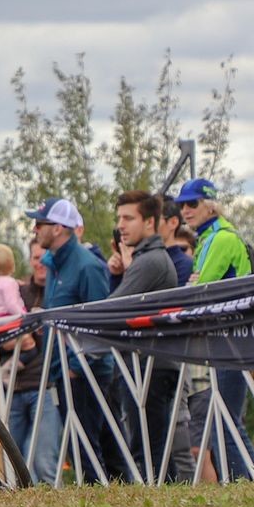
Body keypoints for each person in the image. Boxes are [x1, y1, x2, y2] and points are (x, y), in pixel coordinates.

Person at [175, 177, 254, 481]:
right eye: (181, 205)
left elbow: (197, 290)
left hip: (233, 338)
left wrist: (194, 283)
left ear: (210, 205)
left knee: (226, 421)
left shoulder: (221, 238)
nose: (185, 210)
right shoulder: (209, 237)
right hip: (226, 338)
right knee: (224, 420)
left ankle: (253, 484)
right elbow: (195, 285)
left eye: (192, 203)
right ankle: (249, 485)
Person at [26, 197, 112, 483]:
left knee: (87, 445)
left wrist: (76, 365)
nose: (35, 229)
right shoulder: (54, 264)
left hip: (85, 372)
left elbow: (99, 323)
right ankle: (108, 495)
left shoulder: (88, 266)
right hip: (63, 369)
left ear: (59, 228)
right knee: (81, 444)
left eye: (40, 223)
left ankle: (103, 499)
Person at [105, 190, 180, 482]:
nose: (121, 225)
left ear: (150, 222)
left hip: (150, 363)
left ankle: (161, 501)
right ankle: (167, 498)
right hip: (146, 361)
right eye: (119, 218)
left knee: (149, 448)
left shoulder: (150, 261)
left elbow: (112, 307)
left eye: (128, 218)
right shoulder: (145, 260)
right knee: (152, 446)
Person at [2, 241, 60, 484]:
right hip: (15, 387)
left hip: (44, 388)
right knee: (15, 462)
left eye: (44, 257)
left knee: (43, 460)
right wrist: (14, 341)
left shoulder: (58, 293)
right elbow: (2, 332)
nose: (39, 263)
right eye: (35, 258)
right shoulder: (19, 293)